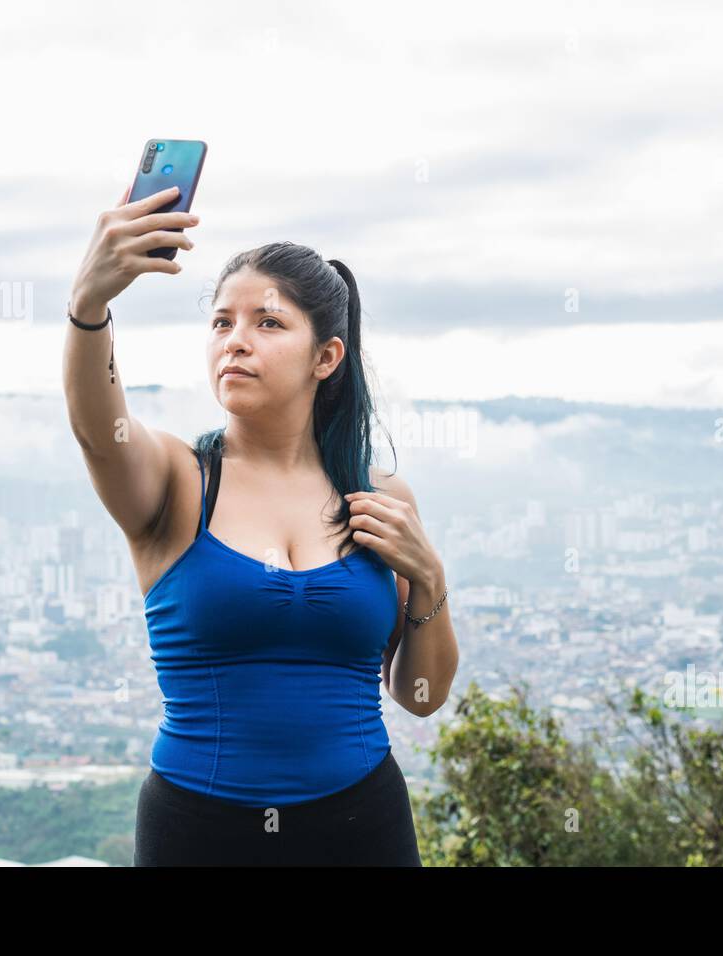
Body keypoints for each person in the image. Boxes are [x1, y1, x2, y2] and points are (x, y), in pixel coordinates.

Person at [62, 184, 459, 865]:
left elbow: (420, 697)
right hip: (197, 830)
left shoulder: (383, 496)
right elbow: (100, 432)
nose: (236, 342)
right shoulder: (177, 482)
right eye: (221, 324)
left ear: (326, 357)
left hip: (363, 824)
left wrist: (430, 581)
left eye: (267, 324)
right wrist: (90, 304)